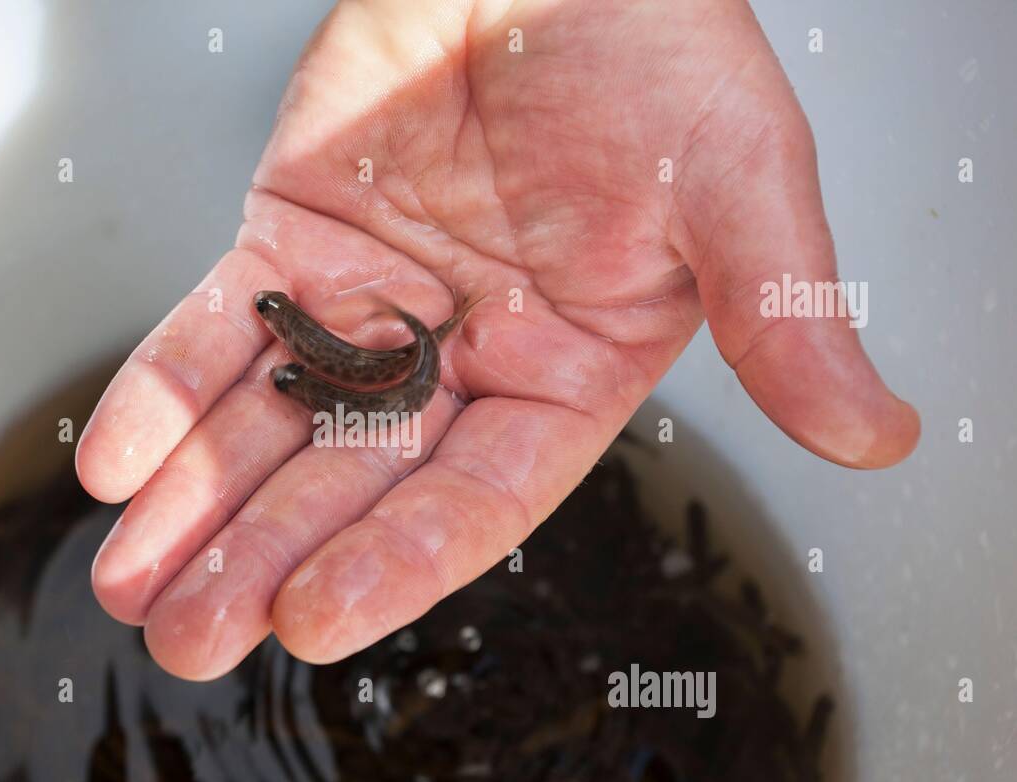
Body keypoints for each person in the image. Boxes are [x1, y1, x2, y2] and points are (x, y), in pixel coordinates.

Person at [75, 0, 919, 680]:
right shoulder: (319, 355)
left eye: (283, 339)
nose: (286, 352)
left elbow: (364, 380)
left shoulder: (326, 355)